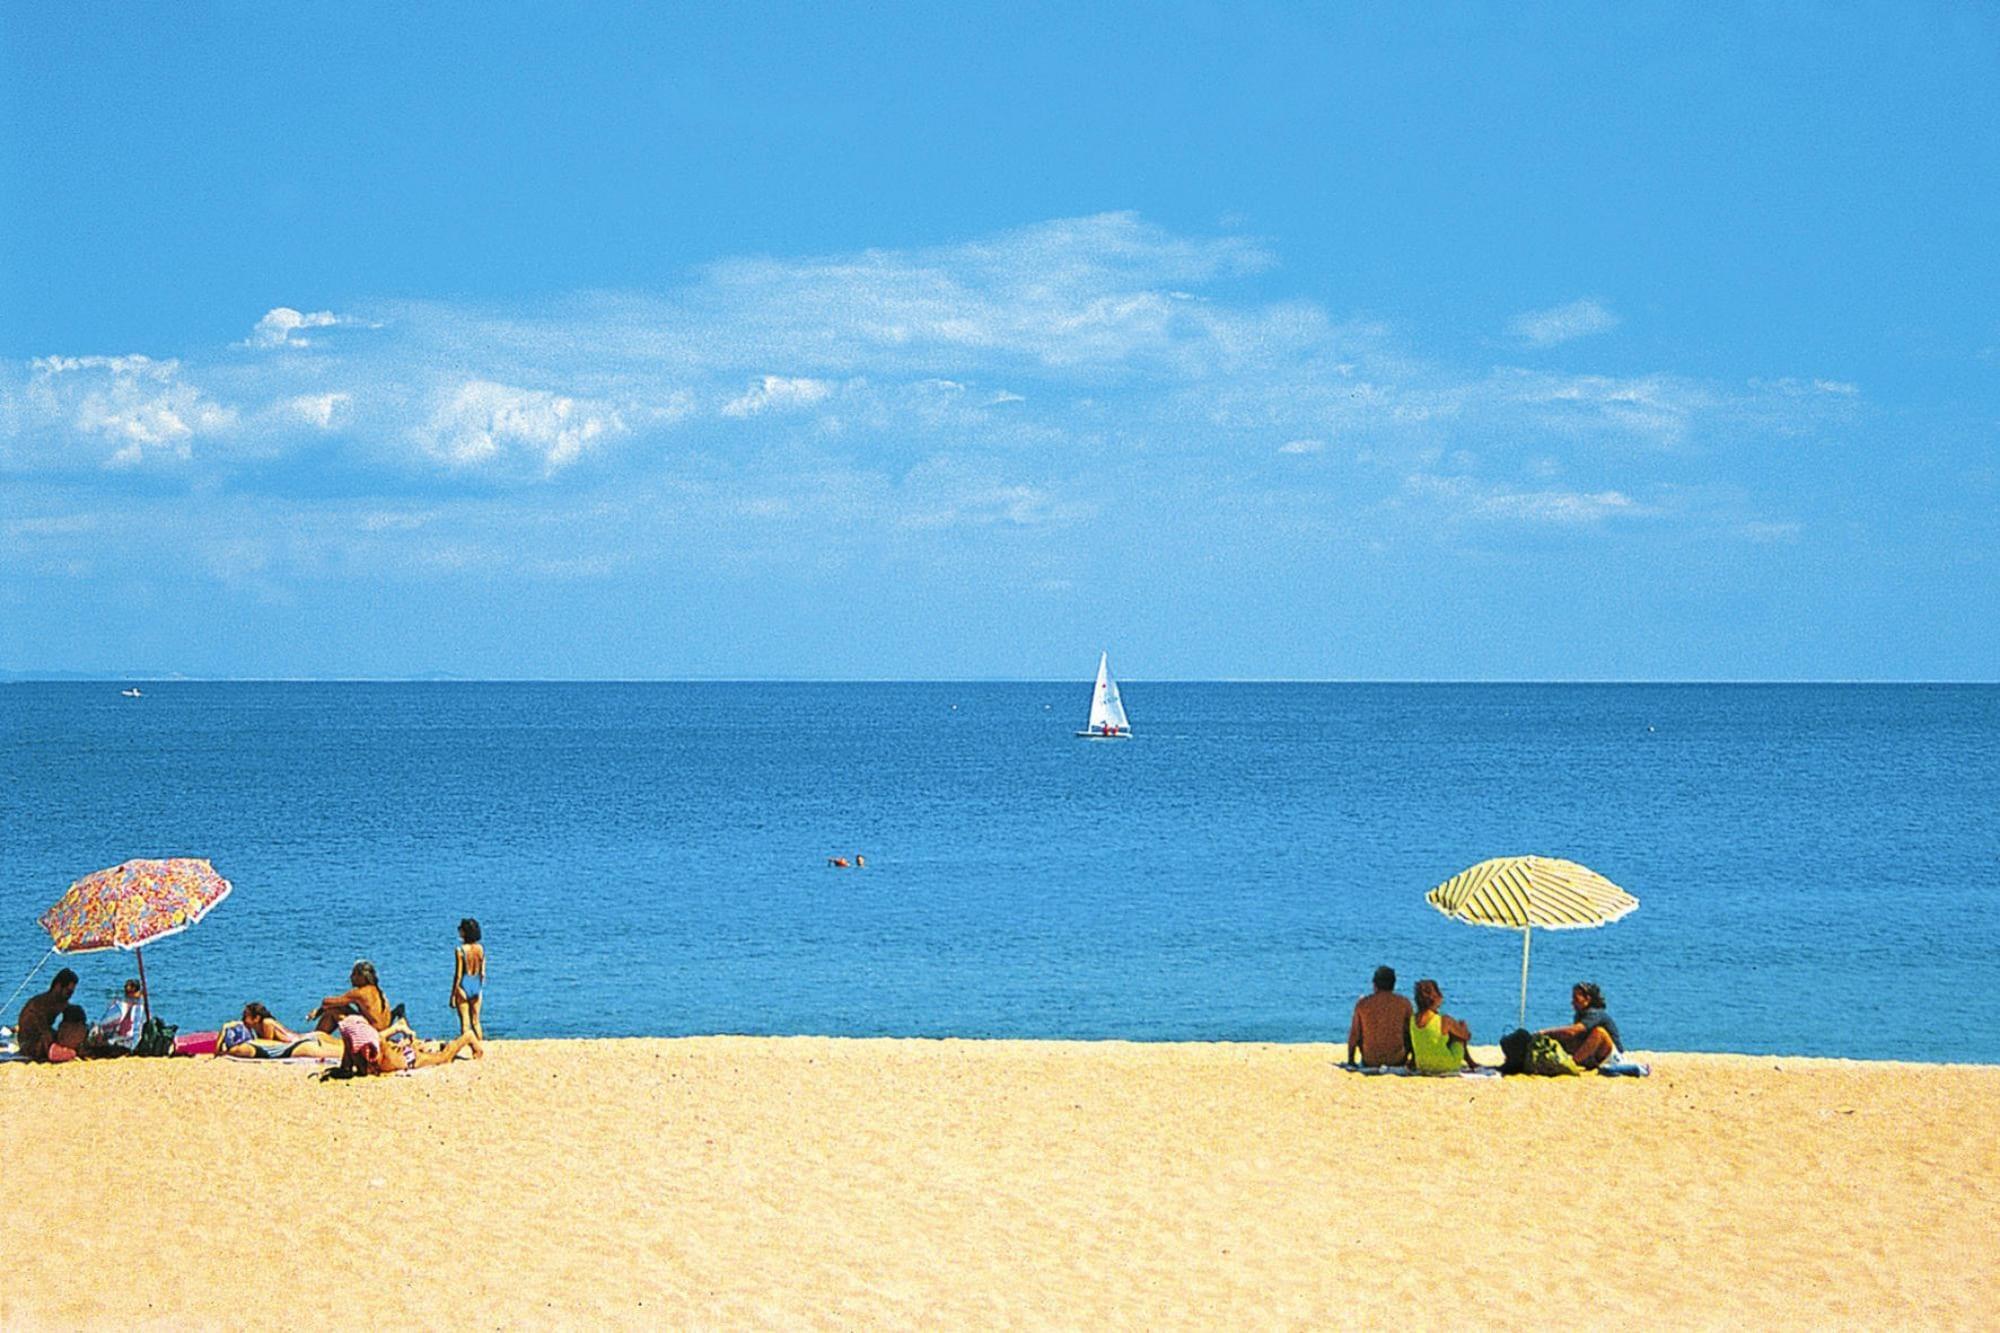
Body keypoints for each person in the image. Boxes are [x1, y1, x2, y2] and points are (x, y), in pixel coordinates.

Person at [335, 1013, 477, 1077]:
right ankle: (440, 1044)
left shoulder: (368, 1051)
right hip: (403, 1054)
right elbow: (346, 1066)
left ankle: (467, 1037)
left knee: (444, 1058)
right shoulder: (370, 1042)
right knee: (437, 1054)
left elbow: (359, 1071)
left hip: (410, 1059)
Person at [1538, 982, 1624, 1070]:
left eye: (1576, 999)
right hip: (1595, 1058)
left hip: (1612, 1058)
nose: (1572, 1002)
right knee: (1565, 1036)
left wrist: (1545, 1032)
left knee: (1599, 1032)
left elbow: (1574, 1030)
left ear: (1587, 999)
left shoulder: (1595, 1013)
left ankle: (1572, 1062)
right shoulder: (1579, 1015)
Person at [217, 1003, 344, 1059]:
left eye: (245, 1016)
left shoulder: (266, 1023)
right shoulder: (258, 1027)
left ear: (256, 1018)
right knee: (343, 1047)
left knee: (345, 1048)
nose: (242, 1019)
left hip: (305, 1039)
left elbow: (268, 1044)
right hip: (303, 1041)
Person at [1345, 965, 1413, 1068]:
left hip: (1370, 1060)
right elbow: (1411, 1032)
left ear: (1374, 984)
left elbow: (1354, 1035)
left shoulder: (1363, 1004)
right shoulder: (1404, 1003)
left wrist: (1351, 1060)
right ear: (1394, 984)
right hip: (1397, 1059)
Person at [1407, 978, 1478, 1073]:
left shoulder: (1412, 1019)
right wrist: (1463, 1027)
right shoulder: (1444, 1020)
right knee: (1458, 1034)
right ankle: (1471, 1062)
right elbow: (1466, 1036)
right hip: (1446, 1066)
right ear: (1437, 998)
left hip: (1423, 1065)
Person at [309, 960, 392, 1034]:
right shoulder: (380, 992)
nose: (351, 977)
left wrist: (319, 1011)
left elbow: (326, 1002)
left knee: (333, 1011)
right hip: (384, 1031)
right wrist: (321, 1010)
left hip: (373, 1033)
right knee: (340, 1006)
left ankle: (316, 1037)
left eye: (353, 974)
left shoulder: (359, 993)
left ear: (362, 976)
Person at [15, 968, 79, 1062]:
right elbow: (41, 1030)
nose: (70, 996)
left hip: (41, 1037)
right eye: (68, 992)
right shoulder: (40, 1004)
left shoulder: (60, 1002)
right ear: (58, 986)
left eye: (72, 993)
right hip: (30, 1042)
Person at [450, 918, 485, 1053]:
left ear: (465, 932)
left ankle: (472, 1049)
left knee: (465, 1022)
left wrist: (453, 995)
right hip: (476, 984)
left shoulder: (460, 950)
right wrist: (479, 987)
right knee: (476, 1021)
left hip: (464, 985)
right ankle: (479, 1046)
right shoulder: (481, 949)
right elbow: (482, 973)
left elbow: (458, 975)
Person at [90, 978, 145, 1053]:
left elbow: (104, 1024)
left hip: (121, 1042)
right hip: (123, 1042)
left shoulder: (120, 1006)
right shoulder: (127, 1006)